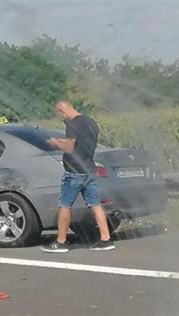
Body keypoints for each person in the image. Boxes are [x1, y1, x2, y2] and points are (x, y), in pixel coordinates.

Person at [41, 101, 115, 253]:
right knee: (95, 204)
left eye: (60, 116)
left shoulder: (73, 124)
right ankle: (105, 239)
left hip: (74, 171)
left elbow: (70, 147)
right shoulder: (91, 122)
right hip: (89, 169)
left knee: (65, 205)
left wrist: (56, 143)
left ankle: (61, 242)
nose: (61, 119)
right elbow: (82, 144)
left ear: (62, 111)